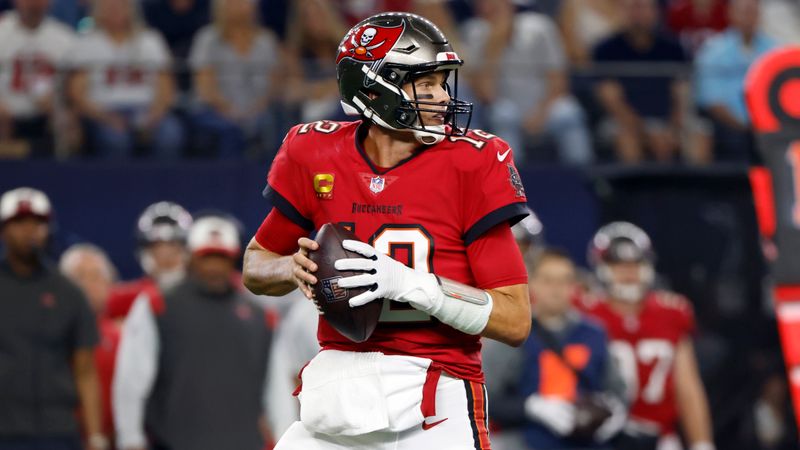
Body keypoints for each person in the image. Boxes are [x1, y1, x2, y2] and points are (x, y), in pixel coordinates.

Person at [243, 12, 531, 449]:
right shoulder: (315, 152)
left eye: (441, 83)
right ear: (374, 89)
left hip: (436, 396)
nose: (440, 97)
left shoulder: (471, 163)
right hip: (338, 390)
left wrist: (413, 285)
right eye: (425, 84)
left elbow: (515, 319)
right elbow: (254, 266)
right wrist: (291, 268)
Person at [113, 214, 272, 450]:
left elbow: (273, 385)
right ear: (190, 257)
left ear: (234, 259)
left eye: (222, 258)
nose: (214, 266)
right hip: (174, 441)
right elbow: (131, 380)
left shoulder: (259, 314)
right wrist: (130, 438)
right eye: (207, 257)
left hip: (243, 442)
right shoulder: (158, 304)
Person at [579, 222, 715, 450]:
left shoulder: (671, 312)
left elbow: (688, 387)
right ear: (601, 267)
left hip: (659, 438)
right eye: (619, 265)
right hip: (601, 436)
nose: (629, 273)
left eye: (636, 263)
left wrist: (702, 443)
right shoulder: (585, 312)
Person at [0, 187, 107, 450]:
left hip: (57, 430)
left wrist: (94, 436)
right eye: (20, 223)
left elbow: (85, 370)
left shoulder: (68, 292)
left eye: (37, 223)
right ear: (4, 230)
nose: (29, 232)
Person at [463, 0, 593, 165]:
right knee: (503, 115)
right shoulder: (474, 32)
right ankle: (511, 182)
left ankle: (585, 178)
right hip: (508, 107)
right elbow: (486, 95)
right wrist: (492, 49)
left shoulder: (540, 27)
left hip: (545, 106)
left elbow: (558, 79)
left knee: (569, 112)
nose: (489, 7)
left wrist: (540, 113)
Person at [593, 0, 710, 164]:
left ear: (655, 12)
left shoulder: (673, 48)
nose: (637, 14)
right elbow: (612, 101)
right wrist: (645, 132)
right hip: (626, 121)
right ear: (622, 11)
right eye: (632, 7)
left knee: (699, 132)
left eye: (642, 7)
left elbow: (682, 94)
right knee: (625, 136)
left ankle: (697, 186)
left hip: (669, 120)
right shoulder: (605, 49)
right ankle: (633, 187)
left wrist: (672, 128)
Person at [68, 0, 184, 159]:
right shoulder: (87, 43)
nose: (115, 10)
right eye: (109, 7)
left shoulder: (150, 40)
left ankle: (163, 183)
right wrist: (106, 118)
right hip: (104, 112)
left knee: (170, 134)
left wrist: (154, 115)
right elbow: (78, 93)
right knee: (115, 140)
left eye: (121, 6)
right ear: (98, 11)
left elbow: (166, 87)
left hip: (146, 109)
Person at [188, 0, 283, 158]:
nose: (239, 5)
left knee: (271, 125)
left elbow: (274, 87)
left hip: (259, 111)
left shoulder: (267, 41)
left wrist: (254, 110)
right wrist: (232, 112)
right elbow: (205, 89)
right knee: (230, 131)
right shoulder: (206, 39)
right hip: (216, 111)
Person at [695, 0, 777, 163]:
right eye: (743, 11)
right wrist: (745, 126)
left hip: (769, 125)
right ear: (730, 14)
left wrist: (763, 123)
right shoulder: (713, 51)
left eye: (752, 11)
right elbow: (712, 100)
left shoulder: (774, 51)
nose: (748, 16)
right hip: (728, 125)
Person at [60, 243, 121, 445]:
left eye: (95, 276)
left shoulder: (126, 337)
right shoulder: (49, 337)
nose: (87, 285)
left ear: (109, 283)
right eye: (79, 277)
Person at [0, 0, 75, 157]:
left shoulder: (64, 38)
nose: (33, 5)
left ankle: (63, 173)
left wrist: (58, 105)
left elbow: (73, 86)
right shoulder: (3, 30)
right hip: (6, 111)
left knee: (70, 126)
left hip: (46, 112)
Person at [105, 201, 192, 321]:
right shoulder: (122, 299)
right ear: (145, 252)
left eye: (172, 246)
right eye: (157, 248)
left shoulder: (206, 292)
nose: (166, 256)